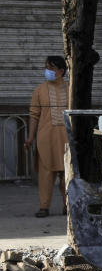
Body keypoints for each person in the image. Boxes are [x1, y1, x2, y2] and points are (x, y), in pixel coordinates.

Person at [26, 55, 69, 217]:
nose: (48, 71)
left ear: (61, 71)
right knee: (45, 176)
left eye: (51, 68)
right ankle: (44, 207)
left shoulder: (70, 89)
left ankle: (68, 206)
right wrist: (30, 138)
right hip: (45, 139)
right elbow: (34, 115)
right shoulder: (39, 90)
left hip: (66, 139)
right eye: (46, 67)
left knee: (67, 175)